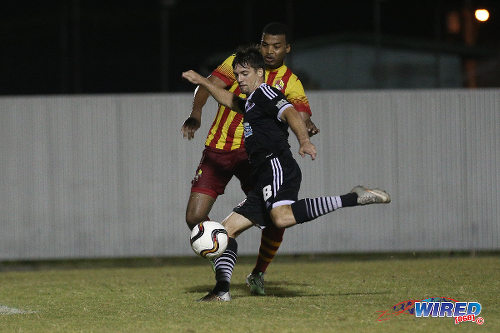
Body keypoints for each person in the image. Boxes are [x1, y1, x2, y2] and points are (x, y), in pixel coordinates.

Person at [182, 46, 391, 302]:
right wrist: (203, 81)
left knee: (280, 218)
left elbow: (290, 111)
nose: (240, 79)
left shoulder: (267, 92)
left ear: (260, 72)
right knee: (227, 230)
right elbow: (228, 100)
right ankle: (222, 291)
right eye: (237, 75)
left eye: (245, 73)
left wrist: (303, 140)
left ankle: (352, 197)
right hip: (263, 175)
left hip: (277, 166)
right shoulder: (252, 100)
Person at [181, 22, 319, 296]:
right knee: (195, 216)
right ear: (259, 43)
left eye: (276, 46)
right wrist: (196, 113)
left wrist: (307, 126)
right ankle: (220, 248)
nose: (269, 50)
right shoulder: (241, 63)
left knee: (274, 215)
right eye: (265, 44)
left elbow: (298, 111)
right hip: (218, 149)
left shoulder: (289, 81)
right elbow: (210, 86)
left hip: (252, 156)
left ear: (287, 48)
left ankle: (257, 272)